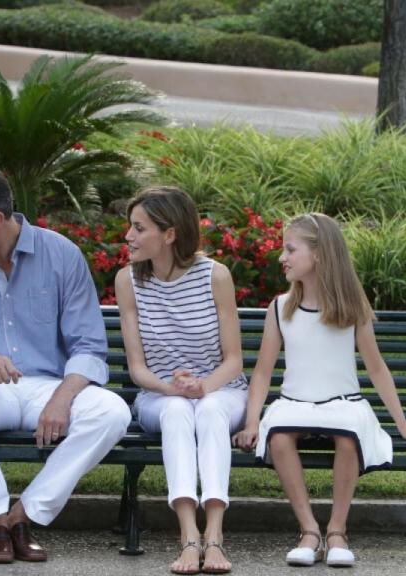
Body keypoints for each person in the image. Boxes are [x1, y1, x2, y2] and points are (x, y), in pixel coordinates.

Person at [0, 160, 131, 564]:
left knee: (113, 412)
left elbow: (89, 346)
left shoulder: (62, 255)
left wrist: (62, 398)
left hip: (48, 387)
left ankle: (23, 516)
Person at [233, 213, 406, 568]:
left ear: (319, 254)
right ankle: (309, 531)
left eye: (290, 249)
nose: (282, 257)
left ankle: (337, 531)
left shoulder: (352, 308)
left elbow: (376, 368)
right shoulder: (280, 308)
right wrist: (253, 422)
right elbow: (263, 372)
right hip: (294, 403)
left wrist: (403, 425)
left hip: (343, 403)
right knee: (278, 437)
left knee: (348, 437)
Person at [115, 187, 247, 575]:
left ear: (170, 234)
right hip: (159, 396)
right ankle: (189, 535)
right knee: (176, 410)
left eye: (139, 228)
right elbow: (138, 368)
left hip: (220, 391)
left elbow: (234, 361)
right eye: (130, 227)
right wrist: (172, 388)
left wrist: (203, 386)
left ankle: (214, 535)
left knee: (208, 410)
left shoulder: (215, 276)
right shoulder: (128, 281)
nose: (129, 236)